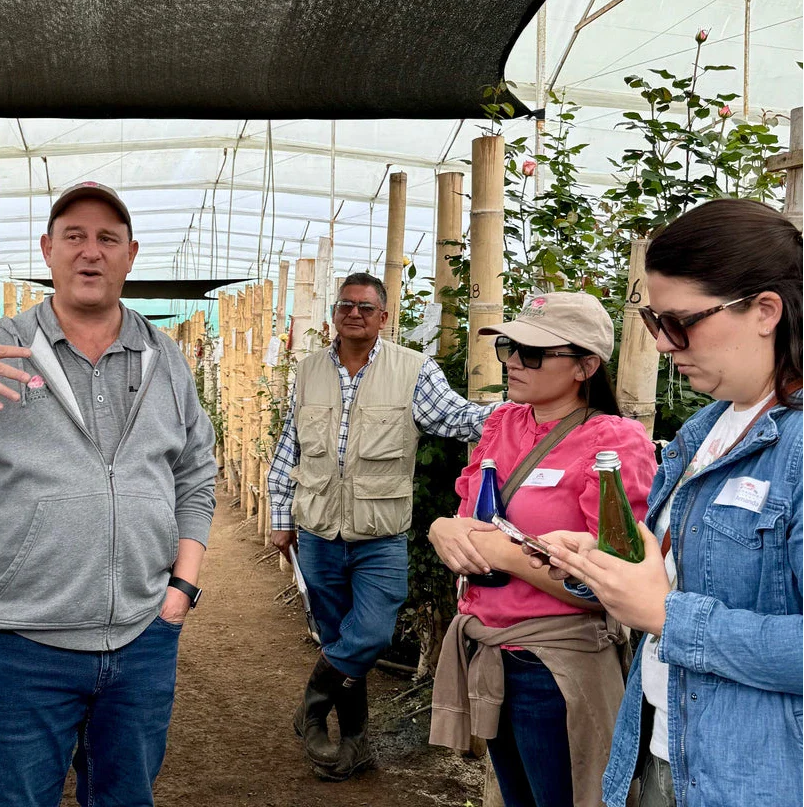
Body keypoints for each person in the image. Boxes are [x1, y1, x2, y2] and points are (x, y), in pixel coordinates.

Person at [0, 182, 217, 807]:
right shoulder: (0, 348)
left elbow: (195, 473)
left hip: (143, 640)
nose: (92, 252)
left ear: (131, 254)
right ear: (48, 250)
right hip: (28, 647)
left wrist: (181, 589)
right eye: (75, 237)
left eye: (107, 239)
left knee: (125, 797)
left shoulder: (164, 360)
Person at [541, 199, 804, 807]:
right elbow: (676, 575)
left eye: (680, 323)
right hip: (665, 743)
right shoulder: (706, 428)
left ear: (766, 310)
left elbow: (671, 607)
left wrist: (669, 616)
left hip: (754, 779)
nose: (663, 345)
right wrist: (604, 560)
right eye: (654, 322)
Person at [428, 291, 656, 807]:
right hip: (490, 651)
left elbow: (615, 585)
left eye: (533, 352)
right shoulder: (503, 423)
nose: (512, 361)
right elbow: (468, 517)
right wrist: (442, 527)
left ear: (586, 366)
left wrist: (504, 554)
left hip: (552, 669)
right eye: (509, 346)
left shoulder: (615, 442)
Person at [268, 272, 496, 781]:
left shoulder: (413, 370)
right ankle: (353, 746)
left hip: (381, 534)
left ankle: (310, 707)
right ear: (334, 314)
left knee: (369, 634)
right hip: (319, 532)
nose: (355, 314)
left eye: (366, 308)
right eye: (346, 305)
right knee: (338, 640)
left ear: (383, 318)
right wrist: (281, 520)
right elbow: (290, 448)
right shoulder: (307, 371)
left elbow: (458, 419)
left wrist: (528, 410)